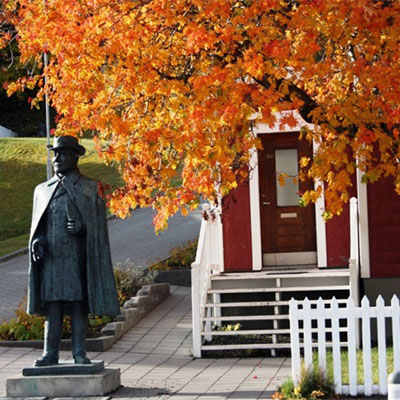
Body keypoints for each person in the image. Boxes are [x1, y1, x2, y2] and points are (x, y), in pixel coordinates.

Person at [28, 135, 120, 366]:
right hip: (51, 259)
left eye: (63, 153)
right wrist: (37, 241)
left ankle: (80, 352)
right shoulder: (42, 190)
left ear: (75, 157)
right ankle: (50, 353)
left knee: (79, 305)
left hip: (78, 258)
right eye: (55, 154)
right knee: (53, 306)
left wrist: (83, 228)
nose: (56, 158)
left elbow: (99, 229)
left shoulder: (89, 188)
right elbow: (38, 225)